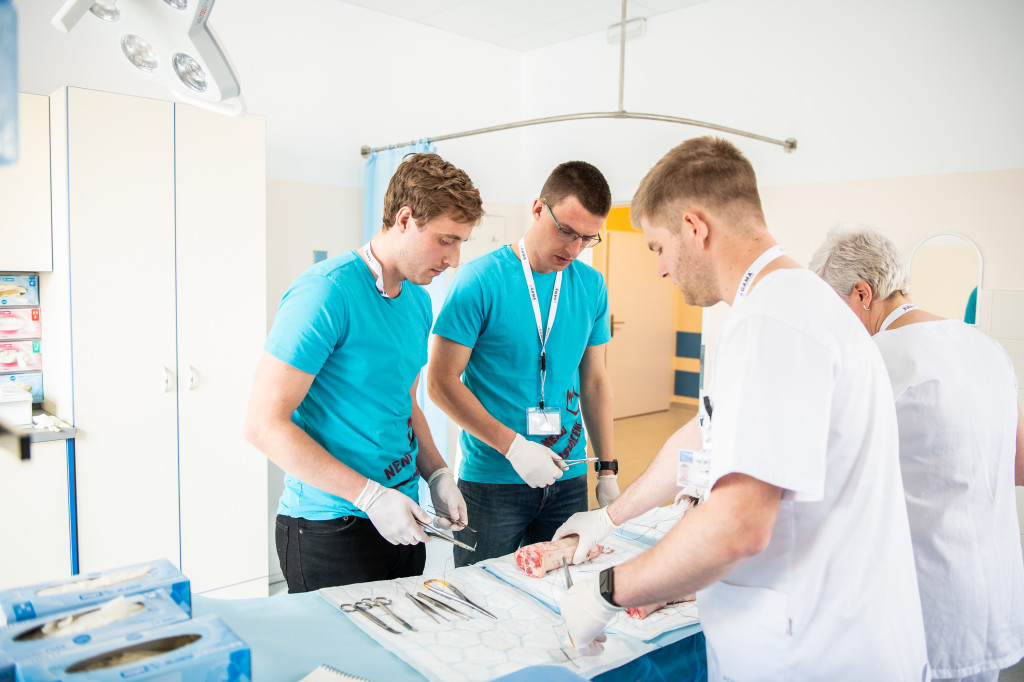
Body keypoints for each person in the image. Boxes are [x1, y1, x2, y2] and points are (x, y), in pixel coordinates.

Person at [553, 137, 929, 680]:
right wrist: (607, 517)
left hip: (816, 653)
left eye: (657, 247)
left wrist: (608, 591)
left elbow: (738, 526)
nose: (660, 270)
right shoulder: (792, 302)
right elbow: (700, 435)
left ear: (694, 228)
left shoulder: (772, 322)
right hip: (828, 633)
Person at [244, 153, 484, 592]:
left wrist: (436, 473)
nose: (454, 259)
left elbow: (404, 401)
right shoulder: (325, 293)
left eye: (461, 243)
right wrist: (368, 496)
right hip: (329, 527)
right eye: (446, 240)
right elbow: (263, 426)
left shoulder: (416, 300)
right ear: (405, 219)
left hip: (401, 517)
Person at [810, 225, 1024, 682]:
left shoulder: (879, 359)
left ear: (862, 294)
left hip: (926, 602)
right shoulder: (986, 347)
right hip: (991, 596)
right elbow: (1018, 462)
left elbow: (820, 475)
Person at [427, 161, 618, 567]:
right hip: (494, 480)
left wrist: (607, 469)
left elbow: (596, 382)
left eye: (587, 238)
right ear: (537, 209)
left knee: (556, 599)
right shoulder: (480, 280)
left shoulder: (591, 286)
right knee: (484, 601)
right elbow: (441, 383)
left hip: (567, 476)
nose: (573, 248)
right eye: (565, 230)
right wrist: (514, 448)